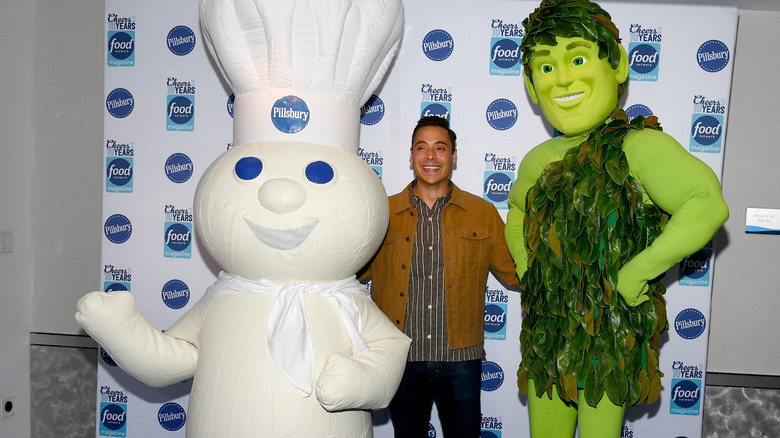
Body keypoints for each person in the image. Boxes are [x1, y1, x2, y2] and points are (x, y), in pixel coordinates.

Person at [504, 1, 729, 437]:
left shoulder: (638, 147)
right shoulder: (537, 159)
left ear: (620, 65)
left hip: (609, 339)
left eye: (579, 58)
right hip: (547, 336)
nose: (563, 78)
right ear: (531, 87)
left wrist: (637, 273)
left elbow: (706, 202)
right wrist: (528, 266)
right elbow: (516, 212)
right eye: (545, 68)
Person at [360, 116, 520, 437]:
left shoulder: (482, 212)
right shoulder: (381, 212)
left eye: (440, 148)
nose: (430, 156)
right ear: (410, 155)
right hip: (401, 359)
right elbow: (351, 269)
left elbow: (516, 273)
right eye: (422, 148)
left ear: (454, 156)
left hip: (461, 359)